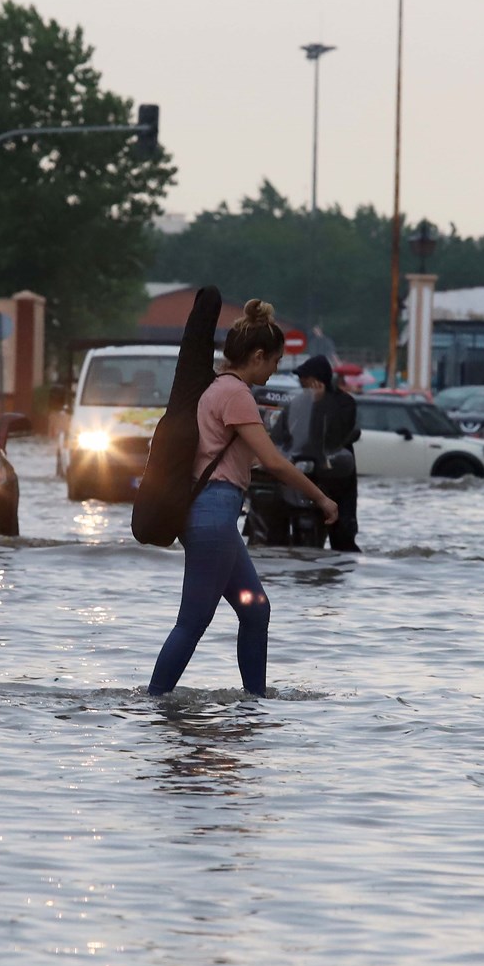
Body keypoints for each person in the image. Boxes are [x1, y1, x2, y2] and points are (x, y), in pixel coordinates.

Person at [148, 299, 338, 698]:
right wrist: (322, 499)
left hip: (212, 515)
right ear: (257, 356)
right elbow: (273, 462)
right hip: (214, 515)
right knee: (193, 621)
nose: (274, 370)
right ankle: (154, 703)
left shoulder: (215, 388)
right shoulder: (236, 394)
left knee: (255, 609)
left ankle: (255, 704)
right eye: (275, 361)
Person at [297, 355, 361, 551]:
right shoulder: (301, 403)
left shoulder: (345, 403)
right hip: (308, 474)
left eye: (304, 380)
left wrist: (318, 405)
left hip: (338, 475)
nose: (301, 384)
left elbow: (334, 434)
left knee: (343, 536)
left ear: (317, 380)